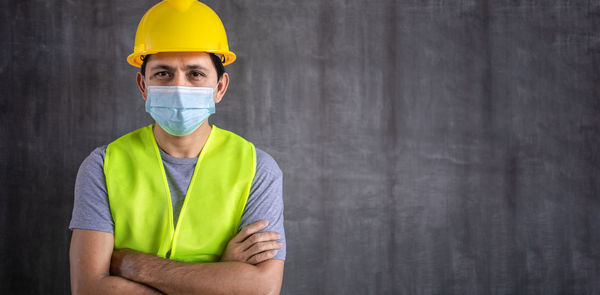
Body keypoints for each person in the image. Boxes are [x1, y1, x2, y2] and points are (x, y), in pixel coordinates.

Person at [68, 0, 286, 294]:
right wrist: (220, 275)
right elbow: (89, 288)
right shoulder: (103, 165)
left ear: (219, 87)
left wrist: (134, 265)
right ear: (143, 85)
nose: (179, 87)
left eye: (196, 74)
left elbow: (262, 289)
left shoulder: (257, 168)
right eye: (163, 73)